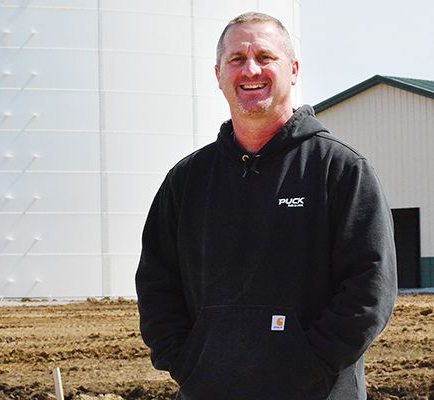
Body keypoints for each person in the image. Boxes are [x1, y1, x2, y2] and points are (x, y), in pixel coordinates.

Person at [135, 12, 397, 400]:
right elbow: (157, 286)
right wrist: (187, 361)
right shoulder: (187, 180)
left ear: (293, 70)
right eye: (237, 59)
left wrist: (305, 362)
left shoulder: (340, 170)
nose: (250, 69)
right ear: (219, 75)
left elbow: (368, 290)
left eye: (265, 56)